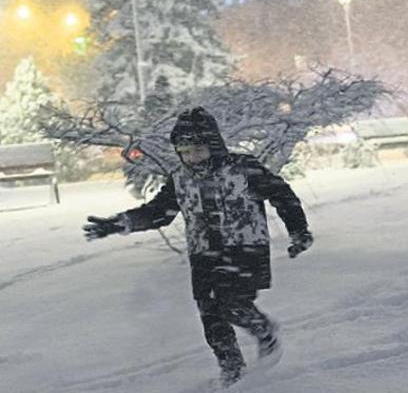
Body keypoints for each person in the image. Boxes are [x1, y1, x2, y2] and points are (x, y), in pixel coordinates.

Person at [82, 107, 313, 387]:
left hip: (244, 248)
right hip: (203, 253)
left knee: (231, 304)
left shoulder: (242, 169)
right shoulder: (180, 179)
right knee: (211, 316)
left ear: (214, 146)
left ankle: (265, 331)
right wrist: (119, 223)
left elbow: (283, 195)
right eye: (185, 152)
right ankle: (232, 370)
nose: (193, 158)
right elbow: (159, 212)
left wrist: (298, 230)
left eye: (199, 151)